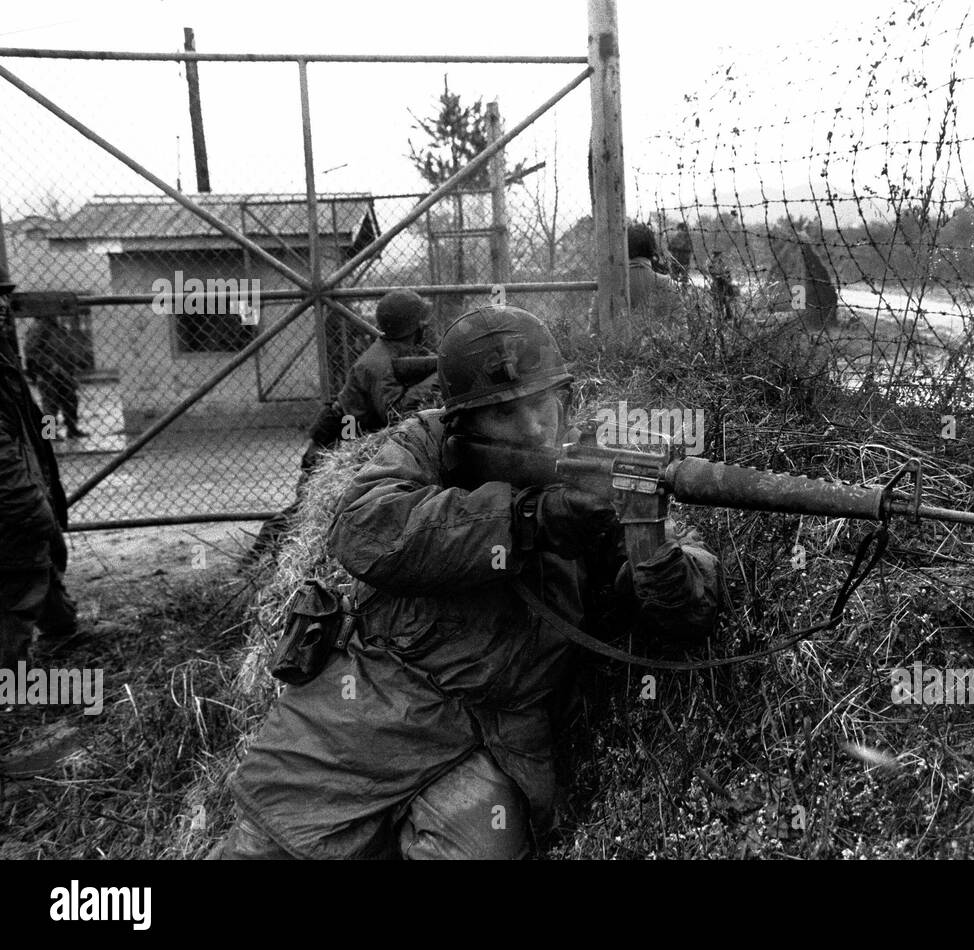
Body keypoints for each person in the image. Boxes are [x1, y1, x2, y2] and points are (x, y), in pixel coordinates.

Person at [217, 305, 721, 859]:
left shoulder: (596, 461)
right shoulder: (426, 444)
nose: (531, 427)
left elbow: (686, 607)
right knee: (272, 845)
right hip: (377, 697)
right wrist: (526, 519)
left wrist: (646, 540)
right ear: (463, 422)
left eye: (539, 403)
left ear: (565, 397)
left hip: (494, 735)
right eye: (503, 414)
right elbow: (365, 529)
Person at [243, 289, 438, 566]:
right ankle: (253, 562)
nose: (426, 328)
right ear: (414, 327)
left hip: (346, 438)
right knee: (305, 512)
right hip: (331, 446)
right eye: (422, 323)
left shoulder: (398, 353)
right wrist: (434, 379)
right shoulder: (379, 363)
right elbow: (396, 413)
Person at [0, 274, 78, 673]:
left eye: (2, 300)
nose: (1, 309)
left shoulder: (2, 353)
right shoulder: (24, 343)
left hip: (26, 480)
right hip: (13, 495)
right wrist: (34, 507)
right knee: (22, 573)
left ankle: (62, 627)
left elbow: (28, 430)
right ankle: (10, 679)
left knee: (43, 557)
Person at [24, 311, 89, 439]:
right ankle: (49, 433)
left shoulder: (57, 327)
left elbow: (66, 348)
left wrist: (73, 365)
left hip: (64, 371)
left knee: (70, 400)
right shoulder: (39, 327)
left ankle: (72, 429)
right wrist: (50, 365)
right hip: (48, 373)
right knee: (50, 403)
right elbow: (31, 351)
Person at [627, 223, 679, 318]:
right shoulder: (665, 283)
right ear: (653, 248)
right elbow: (679, 324)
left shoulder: (611, 283)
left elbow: (593, 327)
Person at [708, 251, 738, 322]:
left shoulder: (722, 262)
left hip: (724, 284)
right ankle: (720, 316)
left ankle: (728, 315)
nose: (719, 257)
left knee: (726, 300)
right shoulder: (711, 263)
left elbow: (728, 274)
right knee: (719, 300)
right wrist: (720, 276)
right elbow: (712, 273)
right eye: (717, 255)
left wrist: (726, 277)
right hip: (717, 284)